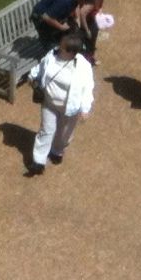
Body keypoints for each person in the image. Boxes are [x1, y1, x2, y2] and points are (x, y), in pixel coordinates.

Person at [28, 31, 94, 174]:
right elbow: (40, 68)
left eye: (62, 47)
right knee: (46, 130)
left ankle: (57, 151)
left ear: (71, 52)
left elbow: (88, 88)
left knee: (64, 134)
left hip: (70, 108)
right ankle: (38, 161)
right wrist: (32, 76)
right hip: (49, 103)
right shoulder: (52, 55)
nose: (58, 47)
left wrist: (85, 108)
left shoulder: (83, 66)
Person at [32, 0, 116, 58]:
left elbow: (75, 4)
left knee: (73, 34)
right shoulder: (65, 1)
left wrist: (76, 17)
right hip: (41, 20)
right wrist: (61, 27)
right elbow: (46, 17)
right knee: (52, 48)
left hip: (56, 14)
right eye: (84, 3)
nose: (83, 6)